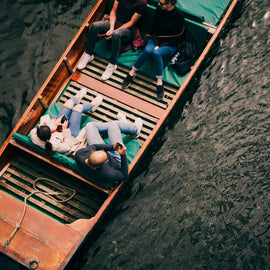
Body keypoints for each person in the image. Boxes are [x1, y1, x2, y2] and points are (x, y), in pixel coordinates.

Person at [122, 0, 185, 100]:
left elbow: (176, 38)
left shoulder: (179, 16)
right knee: (147, 50)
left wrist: (159, 46)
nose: (158, 4)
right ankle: (132, 73)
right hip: (156, 40)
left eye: (161, 3)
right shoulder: (159, 10)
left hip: (169, 44)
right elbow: (153, 30)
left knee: (156, 53)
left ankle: (159, 82)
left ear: (169, 4)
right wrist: (156, 43)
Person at [77, 0, 147, 81]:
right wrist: (111, 28)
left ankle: (112, 64)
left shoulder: (142, 3)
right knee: (95, 26)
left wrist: (114, 32)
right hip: (115, 23)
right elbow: (113, 11)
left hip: (127, 29)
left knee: (116, 34)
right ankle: (89, 54)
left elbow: (131, 22)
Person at [30, 88, 103, 156]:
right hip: (70, 136)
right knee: (77, 108)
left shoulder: (34, 133)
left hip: (58, 129)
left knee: (68, 103)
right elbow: (68, 146)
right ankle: (93, 105)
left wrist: (55, 124)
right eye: (42, 124)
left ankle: (77, 97)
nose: (40, 124)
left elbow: (43, 125)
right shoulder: (56, 146)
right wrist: (65, 130)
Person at [75, 112, 143, 184]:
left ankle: (122, 125)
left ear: (92, 152)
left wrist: (112, 147)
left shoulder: (79, 155)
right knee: (114, 125)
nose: (105, 152)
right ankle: (135, 131)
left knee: (90, 125)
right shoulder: (107, 173)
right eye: (106, 158)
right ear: (98, 166)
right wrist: (123, 155)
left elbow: (95, 146)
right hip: (115, 158)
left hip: (107, 150)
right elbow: (124, 175)